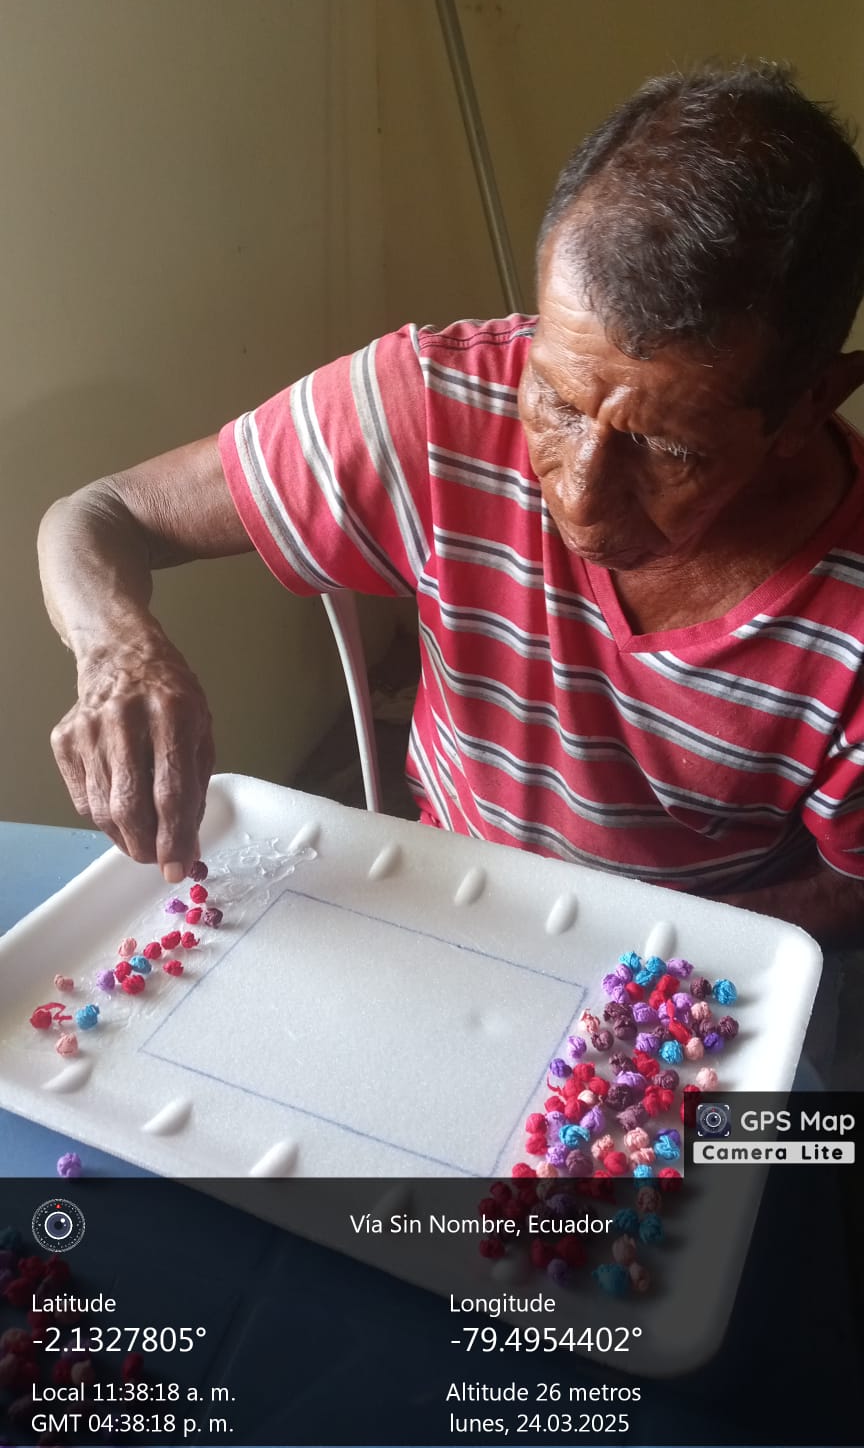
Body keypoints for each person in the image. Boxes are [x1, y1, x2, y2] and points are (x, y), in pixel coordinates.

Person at [38, 62, 864, 945]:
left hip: (696, 955)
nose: (578, 498)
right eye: (556, 400)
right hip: (450, 903)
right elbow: (99, 515)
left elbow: (846, 888)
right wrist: (117, 651)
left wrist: (630, 961)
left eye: (670, 450)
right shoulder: (436, 406)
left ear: (810, 404)